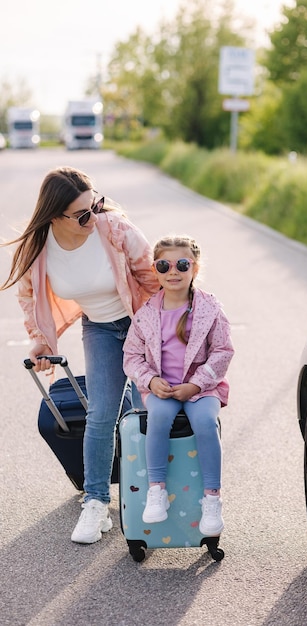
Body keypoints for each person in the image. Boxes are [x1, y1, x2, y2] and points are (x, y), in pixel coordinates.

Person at [0, 166, 160, 544]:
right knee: (102, 413)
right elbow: (29, 298)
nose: (95, 216)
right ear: (56, 217)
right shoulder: (38, 249)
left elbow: (155, 277)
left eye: (96, 204)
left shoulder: (115, 229)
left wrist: (166, 333)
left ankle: (157, 497)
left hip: (143, 324)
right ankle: (95, 502)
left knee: (149, 410)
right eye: (83, 213)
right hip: (101, 328)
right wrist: (39, 340)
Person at [123, 234, 234, 536]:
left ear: (194, 269)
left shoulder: (210, 309)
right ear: (156, 270)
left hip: (201, 389)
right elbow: (131, 356)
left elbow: (223, 351)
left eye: (182, 264)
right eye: (164, 265)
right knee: (158, 417)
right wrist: (150, 380)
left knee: (205, 422)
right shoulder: (146, 314)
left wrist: (196, 385)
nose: (173, 271)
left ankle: (212, 498)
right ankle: (156, 490)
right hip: (162, 388)